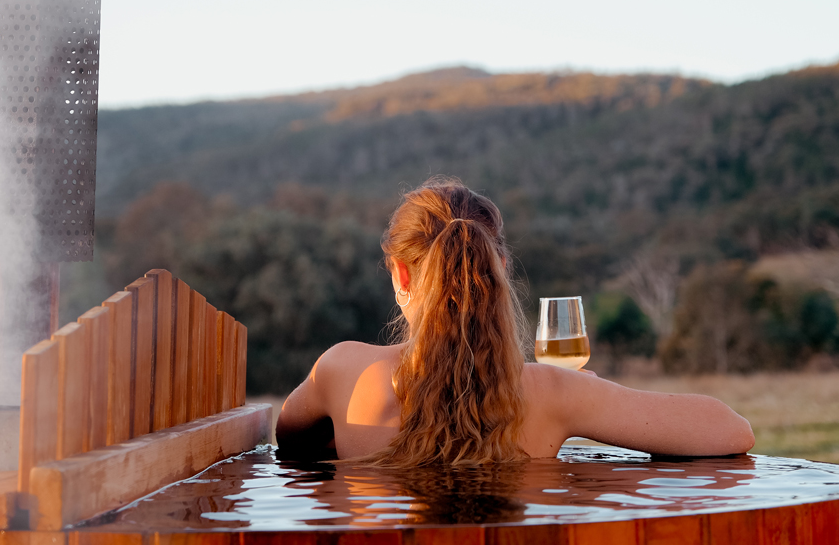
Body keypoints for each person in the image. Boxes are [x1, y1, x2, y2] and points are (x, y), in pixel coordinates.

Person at [276, 177, 755, 466]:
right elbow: (731, 431)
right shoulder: (552, 394)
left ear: (400, 274)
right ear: (500, 271)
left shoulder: (342, 372)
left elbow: (290, 439)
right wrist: (587, 393)